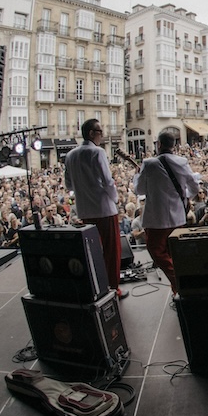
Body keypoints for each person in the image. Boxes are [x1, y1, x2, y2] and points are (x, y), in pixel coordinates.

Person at [64, 119, 127, 299]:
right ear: (91, 133)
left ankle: (98, 287)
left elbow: (69, 185)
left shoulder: (70, 155)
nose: (102, 135)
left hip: (85, 211)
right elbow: (108, 181)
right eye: (100, 131)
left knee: (93, 252)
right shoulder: (98, 152)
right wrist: (115, 199)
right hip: (105, 210)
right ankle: (113, 289)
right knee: (111, 251)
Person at [133, 132, 199, 294]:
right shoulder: (182, 162)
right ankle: (178, 287)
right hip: (178, 217)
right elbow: (194, 187)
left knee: (156, 252)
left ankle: (178, 282)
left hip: (156, 219)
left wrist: (137, 175)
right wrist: (184, 198)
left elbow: (139, 190)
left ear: (159, 144)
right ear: (173, 145)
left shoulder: (149, 163)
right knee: (175, 253)